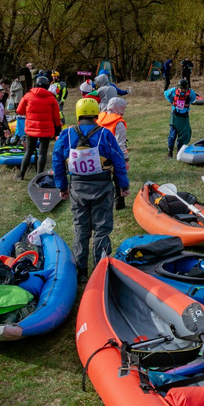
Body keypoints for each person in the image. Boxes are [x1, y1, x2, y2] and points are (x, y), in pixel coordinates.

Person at [53, 98, 129, 274]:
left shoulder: (67, 134)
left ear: (78, 115)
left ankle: (80, 272)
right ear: (96, 115)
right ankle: (100, 271)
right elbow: (118, 161)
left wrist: (62, 187)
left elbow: (57, 161)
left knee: (81, 229)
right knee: (101, 230)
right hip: (102, 187)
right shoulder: (105, 134)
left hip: (77, 189)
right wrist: (123, 186)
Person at [16, 75, 62, 179]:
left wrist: (29, 113)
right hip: (46, 129)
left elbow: (19, 111)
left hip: (31, 128)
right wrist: (58, 129)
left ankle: (21, 175)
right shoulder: (51, 98)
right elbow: (56, 117)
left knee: (28, 151)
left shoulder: (28, 96)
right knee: (42, 153)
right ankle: (39, 176)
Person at [96, 97, 130, 210]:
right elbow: (120, 144)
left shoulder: (99, 117)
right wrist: (125, 160)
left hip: (97, 155)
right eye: (123, 107)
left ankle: (102, 203)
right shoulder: (118, 123)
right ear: (118, 108)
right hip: (113, 155)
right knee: (118, 179)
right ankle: (119, 204)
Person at [164, 78, 202, 157]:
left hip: (184, 116)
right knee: (172, 135)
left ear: (186, 88)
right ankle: (170, 152)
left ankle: (179, 151)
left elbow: (193, 99)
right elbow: (166, 94)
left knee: (185, 134)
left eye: (183, 89)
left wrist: (186, 103)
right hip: (175, 115)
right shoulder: (174, 90)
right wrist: (172, 101)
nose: (181, 90)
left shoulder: (191, 93)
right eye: (180, 88)